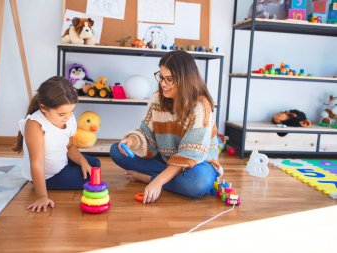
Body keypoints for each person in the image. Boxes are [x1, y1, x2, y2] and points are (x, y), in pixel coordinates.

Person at [110, 50, 223, 204]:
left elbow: (191, 154)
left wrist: (155, 181)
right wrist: (132, 140)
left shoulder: (201, 105)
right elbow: (146, 134)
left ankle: (150, 178)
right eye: (161, 77)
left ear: (185, 80)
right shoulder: (157, 98)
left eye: (169, 79)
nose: (163, 83)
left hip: (197, 164)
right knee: (116, 151)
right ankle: (168, 179)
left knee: (198, 183)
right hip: (165, 160)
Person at [13, 76, 100, 212]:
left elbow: (69, 147)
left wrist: (83, 162)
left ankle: (80, 166)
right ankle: (42, 187)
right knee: (91, 178)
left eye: (72, 111)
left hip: (62, 163)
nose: (68, 117)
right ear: (43, 108)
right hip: (47, 176)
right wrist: (42, 196)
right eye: (61, 114)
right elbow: (37, 163)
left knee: (94, 165)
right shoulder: (35, 125)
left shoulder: (68, 117)